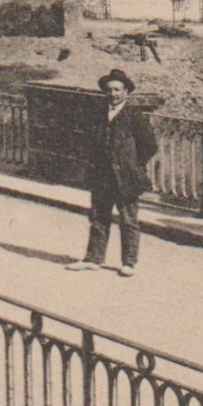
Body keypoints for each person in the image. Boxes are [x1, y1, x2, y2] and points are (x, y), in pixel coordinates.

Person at [67, 68, 157, 277]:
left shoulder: (135, 116)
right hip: (101, 175)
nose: (113, 94)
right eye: (109, 90)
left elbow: (150, 146)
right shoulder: (98, 114)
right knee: (98, 217)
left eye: (117, 90)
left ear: (126, 92)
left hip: (126, 177)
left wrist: (134, 165)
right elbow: (89, 141)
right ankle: (93, 258)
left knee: (128, 220)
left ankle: (129, 262)